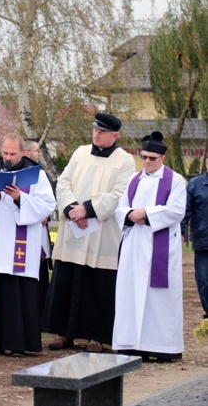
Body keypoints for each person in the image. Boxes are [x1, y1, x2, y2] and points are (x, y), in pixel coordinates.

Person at [41, 113, 135, 353]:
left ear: (115, 135)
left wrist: (88, 209)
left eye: (102, 132)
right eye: (94, 130)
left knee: (98, 286)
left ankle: (98, 337)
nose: (96, 135)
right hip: (74, 228)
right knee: (67, 281)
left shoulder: (125, 161)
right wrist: (73, 208)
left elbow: (119, 194)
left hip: (101, 233)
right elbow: (63, 182)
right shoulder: (80, 152)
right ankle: (66, 334)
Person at [0, 134, 55, 356]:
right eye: (5, 153)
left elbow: (47, 205)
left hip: (22, 246)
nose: (8, 158)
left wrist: (20, 198)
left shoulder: (36, 175)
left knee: (19, 294)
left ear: (23, 153)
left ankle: (20, 343)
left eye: (13, 154)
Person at [113, 131, 185, 362]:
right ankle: (132, 343)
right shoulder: (135, 180)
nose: (146, 162)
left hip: (160, 246)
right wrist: (130, 214)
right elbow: (120, 207)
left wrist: (147, 213)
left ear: (162, 159)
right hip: (135, 245)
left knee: (159, 296)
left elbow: (176, 210)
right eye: (143, 157)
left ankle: (162, 346)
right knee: (131, 292)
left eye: (152, 158)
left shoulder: (175, 180)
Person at [23, 138, 53, 310]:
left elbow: (47, 202)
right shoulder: (22, 175)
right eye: (37, 150)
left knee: (42, 275)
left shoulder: (40, 174)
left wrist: (45, 215)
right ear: (26, 153)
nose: (39, 153)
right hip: (26, 236)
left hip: (40, 232)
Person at [181, 158, 208, 321]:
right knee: (204, 280)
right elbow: (185, 211)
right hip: (203, 242)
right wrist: (181, 232)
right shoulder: (195, 185)